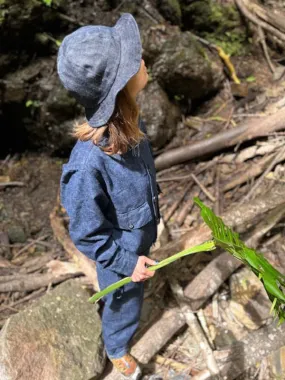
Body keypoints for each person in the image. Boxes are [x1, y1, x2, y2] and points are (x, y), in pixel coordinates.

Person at [57, 13, 161, 380]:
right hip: (120, 256)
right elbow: (86, 232)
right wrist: (125, 262)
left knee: (134, 287)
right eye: (133, 61)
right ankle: (116, 345)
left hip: (140, 235)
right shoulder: (87, 166)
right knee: (122, 299)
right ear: (118, 87)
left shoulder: (133, 124)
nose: (142, 59)